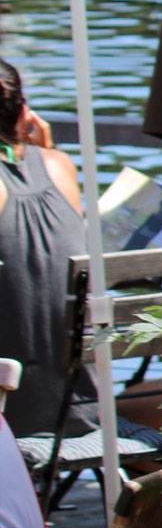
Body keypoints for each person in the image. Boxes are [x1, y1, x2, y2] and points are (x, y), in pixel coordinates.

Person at [0, 59, 88, 443]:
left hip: (10, 412)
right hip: (80, 408)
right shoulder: (60, 165)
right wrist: (44, 152)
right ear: (24, 114)